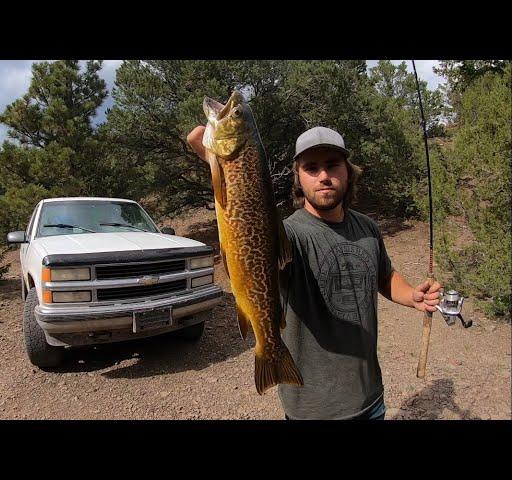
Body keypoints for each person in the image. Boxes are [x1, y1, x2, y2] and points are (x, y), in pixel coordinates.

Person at [186, 125, 442, 420]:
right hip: (312, 409)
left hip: (370, 398)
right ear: (298, 177)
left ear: (348, 171)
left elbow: (383, 276)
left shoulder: (367, 228)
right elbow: (246, 233)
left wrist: (412, 296)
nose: (323, 176)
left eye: (332, 165)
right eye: (311, 167)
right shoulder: (288, 236)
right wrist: (227, 167)